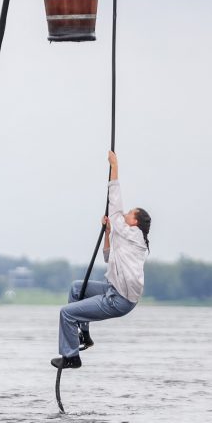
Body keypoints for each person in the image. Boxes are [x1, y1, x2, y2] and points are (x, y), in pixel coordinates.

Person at [51, 150, 151, 370]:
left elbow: (115, 208)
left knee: (66, 313)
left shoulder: (134, 235)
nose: (125, 215)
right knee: (76, 288)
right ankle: (84, 336)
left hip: (119, 300)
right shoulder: (125, 238)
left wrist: (114, 167)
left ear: (135, 223)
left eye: (129, 215)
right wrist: (108, 232)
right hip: (113, 289)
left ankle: (71, 357)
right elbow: (108, 257)